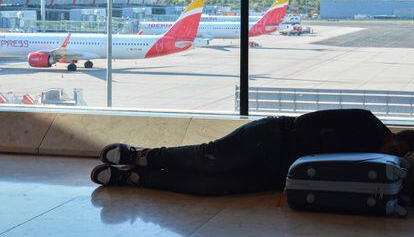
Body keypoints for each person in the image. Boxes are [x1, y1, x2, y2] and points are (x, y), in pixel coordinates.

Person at [90, 109, 414, 196]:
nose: (395, 158)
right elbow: (306, 123)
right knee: (212, 159)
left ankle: (133, 178)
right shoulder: (365, 121)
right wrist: (317, 153)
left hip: (282, 172)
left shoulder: (379, 165)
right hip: (275, 137)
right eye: (399, 153)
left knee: (209, 187)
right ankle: (144, 155)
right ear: (398, 141)